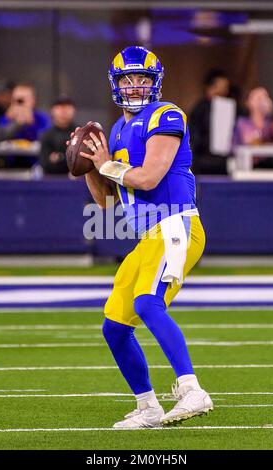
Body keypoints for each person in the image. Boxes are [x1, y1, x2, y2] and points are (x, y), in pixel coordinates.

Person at [70, 46, 213, 428]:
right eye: (128, 80)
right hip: (148, 234)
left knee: (148, 302)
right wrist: (88, 166)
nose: (135, 87)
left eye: (143, 79)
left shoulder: (166, 115)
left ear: (156, 82)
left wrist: (106, 165)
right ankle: (148, 406)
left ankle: (191, 390)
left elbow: (148, 177)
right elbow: (105, 200)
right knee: (114, 326)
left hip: (175, 223)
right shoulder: (116, 129)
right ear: (116, 85)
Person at [189, 68, 230, 175]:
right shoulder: (199, 109)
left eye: (225, 88)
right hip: (203, 161)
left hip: (225, 162)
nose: (222, 92)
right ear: (209, 88)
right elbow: (194, 136)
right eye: (218, 88)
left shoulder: (230, 108)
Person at [233, 87, 273, 168]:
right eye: (259, 98)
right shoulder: (242, 122)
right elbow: (252, 142)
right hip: (247, 165)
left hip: (271, 165)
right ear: (248, 102)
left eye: (265, 97)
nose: (263, 101)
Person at [40, 97, 76, 175]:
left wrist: (58, 158)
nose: (63, 111)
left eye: (67, 107)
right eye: (59, 107)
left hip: (77, 180)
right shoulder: (47, 135)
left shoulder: (79, 133)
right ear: (52, 111)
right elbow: (44, 162)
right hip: (51, 180)